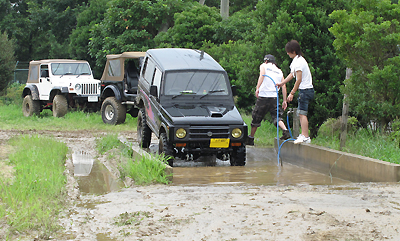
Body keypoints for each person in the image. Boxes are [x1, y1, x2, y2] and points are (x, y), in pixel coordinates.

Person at [246, 54, 290, 146]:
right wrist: (284, 100)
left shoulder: (264, 66)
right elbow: (283, 86)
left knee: (256, 117)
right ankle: (285, 131)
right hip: (274, 97)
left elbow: (262, 76)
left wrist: (257, 88)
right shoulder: (279, 71)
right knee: (277, 116)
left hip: (264, 96)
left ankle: (251, 138)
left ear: (266, 61)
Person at [276, 40, 314, 144]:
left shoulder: (298, 62)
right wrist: (281, 83)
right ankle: (303, 135)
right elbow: (292, 75)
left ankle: (305, 136)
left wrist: (292, 92)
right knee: (300, 113)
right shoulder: (297, 61)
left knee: (302, 113)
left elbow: (298, 79)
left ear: (293, 51)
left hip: (305, 90)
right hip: (305, 89)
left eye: (288, 51)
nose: (287, 53)